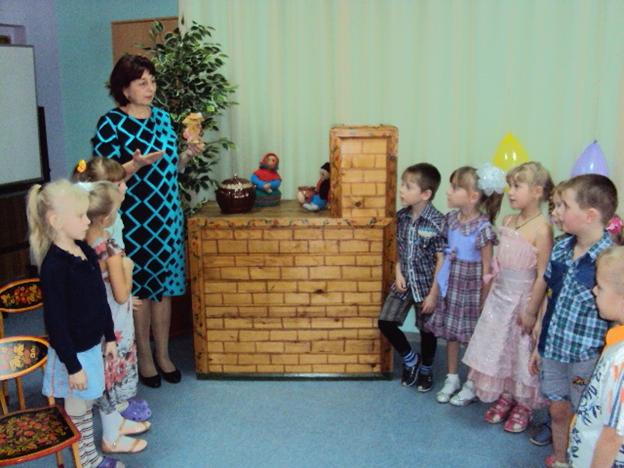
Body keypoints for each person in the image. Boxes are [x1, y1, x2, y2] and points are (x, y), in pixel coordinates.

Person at [92, 54, 199, 388]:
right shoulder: (111, 123)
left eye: (152, 81)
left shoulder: (163, 118)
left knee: (163, 289)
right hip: (134, 218)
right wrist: (134, 165)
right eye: (142, 83)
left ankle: (164, 354)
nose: (150, 88)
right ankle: (145, 357)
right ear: (124, 89)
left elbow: (171, 168)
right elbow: (104, 177)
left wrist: (187, 156)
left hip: (167, 215)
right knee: (139, 288)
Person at [26, 179, 122, 468]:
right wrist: (73, 366)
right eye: (80, 216)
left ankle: (89, 457)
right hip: (73, 354)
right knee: (78, 407)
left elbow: (99, 298)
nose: (87, 221)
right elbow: (56, 324)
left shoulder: (84, 250)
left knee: (88, 402)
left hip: (90, 346)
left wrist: (110, 336)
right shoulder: (55, 267)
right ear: (55, 221)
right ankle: (87, 461)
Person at [527, 174, 618, 468]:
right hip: (554, 350)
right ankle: (561, 459)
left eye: (564, 206)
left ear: (590, 215)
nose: (558, 212)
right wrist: (539, 344)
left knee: (585, 413)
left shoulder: (609, 260)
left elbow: (616, 321)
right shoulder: (561, 248)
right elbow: (552, 297)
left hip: (587, 359)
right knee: (557, 409)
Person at [461, 162, 553, 433]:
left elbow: (542, 274)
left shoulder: (542, 229)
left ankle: (523, 404)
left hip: (523, 300)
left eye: (517, 186)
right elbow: (498, 264)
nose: (510, 192)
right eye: (509, 186)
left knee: (521, 351)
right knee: (502, 348)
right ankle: (506, 395)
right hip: (500, 298)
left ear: (537, 191)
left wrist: (532, 310)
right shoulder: (507, 221)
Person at [426, 164, 504, 405]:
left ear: (473, 196)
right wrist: (436, 290)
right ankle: (452, 377)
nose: (448, 192)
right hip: (452, 285)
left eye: (455, 187)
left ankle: (471, 383)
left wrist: (484, 299)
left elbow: (487, 269)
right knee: (452, 334)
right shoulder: (450, 220)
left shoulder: (483, 228)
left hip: (471, 291)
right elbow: (443, 255)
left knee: (471, 337)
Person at [83, 181, 152, 454]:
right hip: (113, 320)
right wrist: (128, 267)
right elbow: (122, 294)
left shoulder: (84, 243)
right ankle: (110, 436)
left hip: (98, 316)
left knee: (106, 371)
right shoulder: (107, 249)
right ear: (106, 218)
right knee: (110, 377)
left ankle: (116, 422)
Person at [377, 163, 445, 390]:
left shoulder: (437, 222)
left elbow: (441, 260)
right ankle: (410, 359)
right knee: (385, 321)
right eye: (402, 185)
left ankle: (426, 369)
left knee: (427, 331)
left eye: (408, 187)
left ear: (425, 194)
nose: (401, 190)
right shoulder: (401, 217)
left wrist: (434, 294)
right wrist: (398, 272)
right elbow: (400, 250)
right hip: (404, 282)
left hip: (427, 286)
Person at [568, 246, 624, 467]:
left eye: (600, 287)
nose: (593, 291)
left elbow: (612, 438)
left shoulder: (621, 362)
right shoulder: (617, 337)